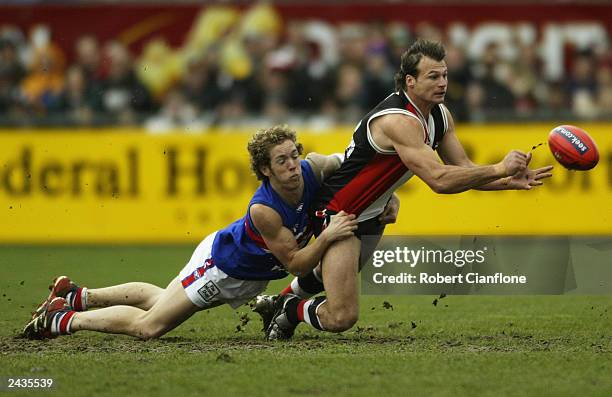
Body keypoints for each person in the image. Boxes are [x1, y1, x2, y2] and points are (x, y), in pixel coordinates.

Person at [262, 39, 553, 340]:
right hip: (339, 211)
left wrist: (508, 181)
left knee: (327, 275)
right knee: (341, 316)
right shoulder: (399, 120)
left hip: (374, 212)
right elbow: (439, 180)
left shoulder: (440, 115)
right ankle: (289, 309)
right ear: (410, 81)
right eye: (433, 76)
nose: (443, 83)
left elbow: (464, 169)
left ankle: (278, 301)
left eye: (445, 75)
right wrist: (499, 169)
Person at [22, 125, 362, 340]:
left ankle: (76, 296)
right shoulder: (265, 209)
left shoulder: (314, 168)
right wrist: (330, 235)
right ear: (264, 169)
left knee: (160, 299)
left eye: (293, 155)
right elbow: (297, 264)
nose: (292, 166)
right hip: (222, 268)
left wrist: (383, 200)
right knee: (150, 325)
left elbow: (355, 166)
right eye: (281, 161)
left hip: (238, 266)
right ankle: (63, 319)